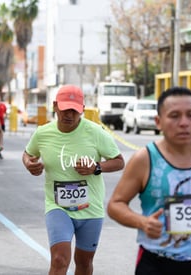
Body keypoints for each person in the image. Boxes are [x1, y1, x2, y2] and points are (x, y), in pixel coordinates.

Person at [107, 87, 191, 275]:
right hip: (156, 263)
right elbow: (115, 204)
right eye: (174, 116)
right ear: (158, 122)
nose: (184, 123)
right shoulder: (144, 159)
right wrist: (142, 222)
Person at [22, 84, 125, 275]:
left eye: (74, 110)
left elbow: (119, 162)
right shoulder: (43, 133)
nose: (69, 114)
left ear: (82, 110)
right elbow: (28, 154)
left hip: (90, 208)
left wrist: (96, 167)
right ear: (55, 106)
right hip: (58, 207)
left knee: (84, 263)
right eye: (64, 109)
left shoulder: (96, 133)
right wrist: (29, 164)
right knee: (60, 259)